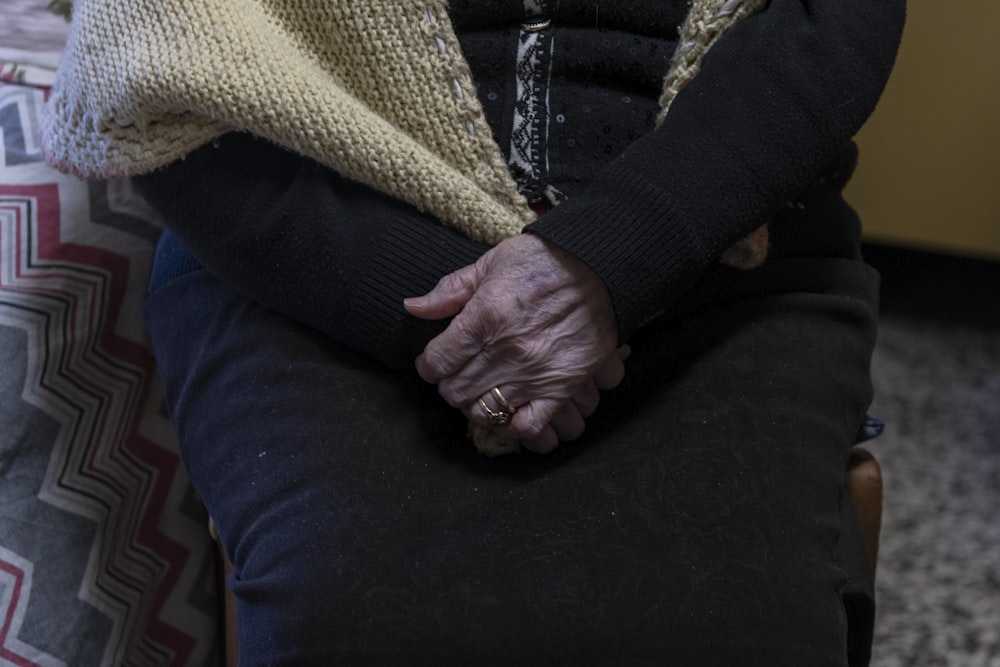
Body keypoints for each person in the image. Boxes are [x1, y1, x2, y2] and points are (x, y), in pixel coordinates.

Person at [43, 0, 906, 664]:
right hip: (312, 232)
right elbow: (149, 67)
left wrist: (615, 256)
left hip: (721, 216)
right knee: (353, 614)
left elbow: (827, 25)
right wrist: (471, 318)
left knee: (744, 618)